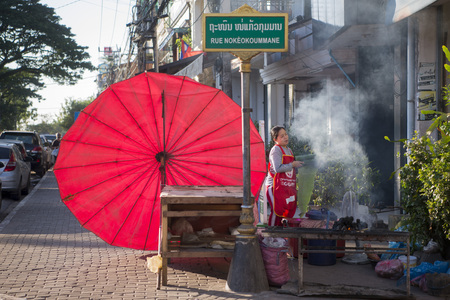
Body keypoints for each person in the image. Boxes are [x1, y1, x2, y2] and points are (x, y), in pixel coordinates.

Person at [266, 126, 304, 226]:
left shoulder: (289, 150)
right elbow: (278, 168)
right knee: (276, 211)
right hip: (274, 186)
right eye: (282, 136)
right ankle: (272, 235)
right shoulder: (276, 150)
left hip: (286, 186)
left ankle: (282, 237)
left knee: (286, 213)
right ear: (275, 139)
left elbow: (290, 170)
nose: (285, 137)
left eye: (286, 134)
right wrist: (292, 165)